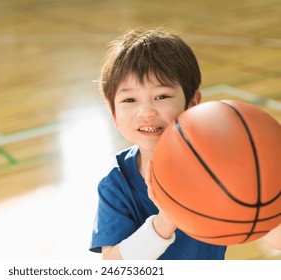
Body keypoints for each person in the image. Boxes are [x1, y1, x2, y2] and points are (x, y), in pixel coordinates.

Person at [89, 28, 280, 260]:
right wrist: (165, 221)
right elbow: (112, 266)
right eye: (129, 99)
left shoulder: (217, 165)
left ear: (193, 103)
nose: (147, 112)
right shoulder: (116, 183)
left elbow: (276, 239)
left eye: (162, 96)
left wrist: (263, 191)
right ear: (113, 114)